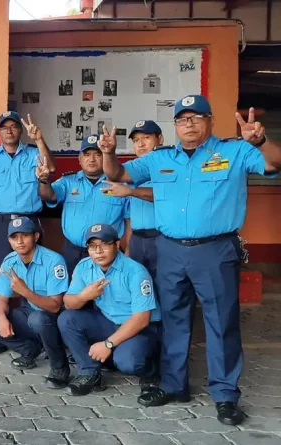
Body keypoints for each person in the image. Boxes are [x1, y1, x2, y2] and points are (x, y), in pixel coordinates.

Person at [102, 95, 281, 425]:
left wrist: (261, 141)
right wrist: (109, 152)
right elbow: (119, 174)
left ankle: (225, 395)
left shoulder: (234, 151)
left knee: (220, 323)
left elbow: (274, 164)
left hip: (215, 250)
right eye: (183, 119)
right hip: (169, 249)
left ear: (210, 120)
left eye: (196, 117)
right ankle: (174, 384)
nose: (189, 124)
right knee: (174, 320)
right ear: (175, 126)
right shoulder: (159, 159)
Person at [0, 111, 56, 358]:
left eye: (13, 127)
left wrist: (40, 140)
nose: (9, 131)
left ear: (20, 131)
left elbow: (50, 168)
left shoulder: (34, 153)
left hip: (28, 221)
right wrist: (3, 210)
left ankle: (35, 335)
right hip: (0, 223)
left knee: (32, 277)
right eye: (4, 128)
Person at [98, 120, 164, 392]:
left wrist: (132, 190)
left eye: (146, 138)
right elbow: (114, 175)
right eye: (136, 139)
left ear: (159, 139)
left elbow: (167, 195)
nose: (140, 144)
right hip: (138, 240)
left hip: (164, 240)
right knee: (138, 297)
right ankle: (137, 348)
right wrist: (108, 152)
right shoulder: (134, 170)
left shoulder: (167, 163)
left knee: (165, 301)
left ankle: (160, 365)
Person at [58, 224, 160, 397]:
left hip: (140, 328)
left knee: (127, 363)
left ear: (117, 244)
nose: (98, 251)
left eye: (104, 244)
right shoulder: (84, 267)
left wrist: (107, 344)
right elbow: (68, 302)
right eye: (92, 246)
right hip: (109, 321)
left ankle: (153, 370)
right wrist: (84, 296)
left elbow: (142, 318)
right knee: (67, 319)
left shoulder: (135, 271)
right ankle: (90, 373)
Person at [0, 217, 70, 388]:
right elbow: (2, 300)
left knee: (38, 319)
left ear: (35, 236)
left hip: (54, 317)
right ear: (9, 241)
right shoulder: (10, 261)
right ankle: (30, 350)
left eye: (25, 236)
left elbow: (55, 305)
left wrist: (24, 291)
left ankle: (59, 368)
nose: (19, 241)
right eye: (14, 237)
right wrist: (1, 318)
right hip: (29, 312)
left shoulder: (54, 261)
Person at [37, 134, 131, 276]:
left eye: (97, 154)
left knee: (109, 295)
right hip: (73, 252)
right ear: (79, 159)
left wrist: (128, 251)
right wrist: (44, 181)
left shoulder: (120, 185)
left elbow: (129, 222)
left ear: (106, 156)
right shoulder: (68, 181)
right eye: (86, 154)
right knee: (73, 295)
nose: (91, 159)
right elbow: (49, 196)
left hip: (107, 253)